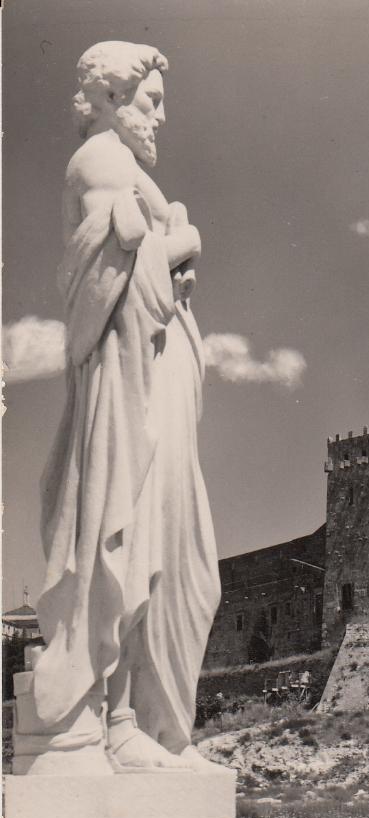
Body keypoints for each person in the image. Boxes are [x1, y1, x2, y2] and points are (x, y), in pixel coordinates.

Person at [32, 42, 221, 772]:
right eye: (152, 101)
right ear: (113, 98)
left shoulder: (129, 170)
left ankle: (156, 724)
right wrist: (185, 239)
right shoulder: (100, 162)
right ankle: (116, 721)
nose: (161, 117)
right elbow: (107, 272)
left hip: (157, 372)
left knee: (178, 559)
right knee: (133, 541)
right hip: (126, 382)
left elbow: (142, 259)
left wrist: (172, 253)